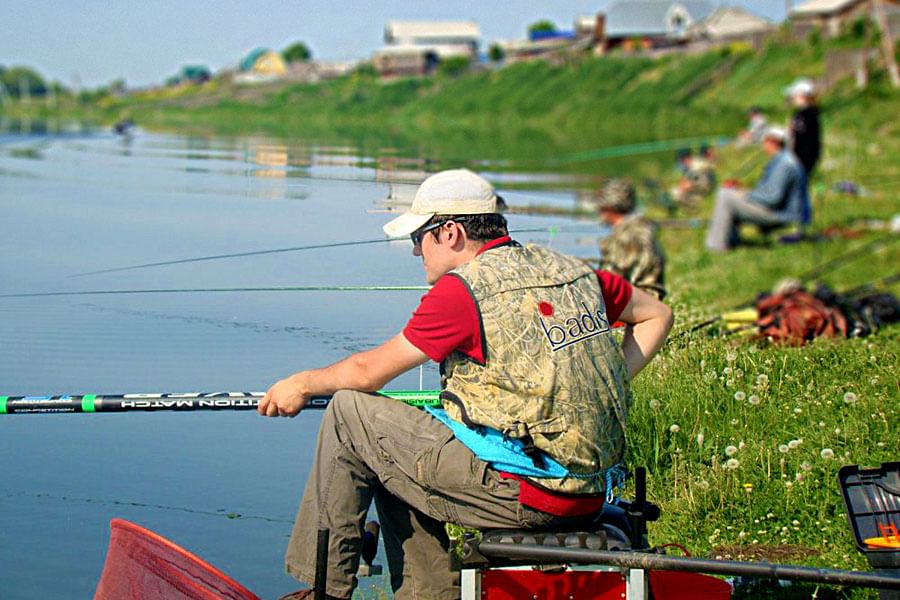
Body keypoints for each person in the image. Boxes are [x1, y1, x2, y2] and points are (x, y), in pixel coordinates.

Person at [258, 169, 674, 600]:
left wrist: (302, 383)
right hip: (590, 488)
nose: (415, 250)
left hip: (526, 493)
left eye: (419, 238)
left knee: (349, 413)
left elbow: (367, 373)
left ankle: (322, 590)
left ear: (450, 232)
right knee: (395, 439)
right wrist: (603, 379)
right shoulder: (572, 271)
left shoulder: (463, 292)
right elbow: (657, 314)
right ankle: (430, 593)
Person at [705, 127, 805, 252]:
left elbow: (772, 198)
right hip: (780, 211)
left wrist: (746, 195)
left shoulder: (784, 164)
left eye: (765, 142)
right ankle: (730, 240)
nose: (763, 146)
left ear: (773, 142)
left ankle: (716, 247)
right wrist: (742, 190)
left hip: (781, 215)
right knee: (729, 193)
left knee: (725, 195)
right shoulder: (783, 160)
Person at [597, 179, 667, 300]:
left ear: (609, 207)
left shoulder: (625, 237)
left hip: (636, 305)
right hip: (648, 300)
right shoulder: (641, 227)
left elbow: (610, 284)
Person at [785, 77, 821, 226]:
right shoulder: (809, 113)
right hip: (806, 156)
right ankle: (800, 217)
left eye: (794, 95)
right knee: (799, 188)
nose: (792, 98)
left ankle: (802, 218)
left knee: (799, 189)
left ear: (802, 95)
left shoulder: (806, 114)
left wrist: (790, 130)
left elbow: (799, 135)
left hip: (804, 157)